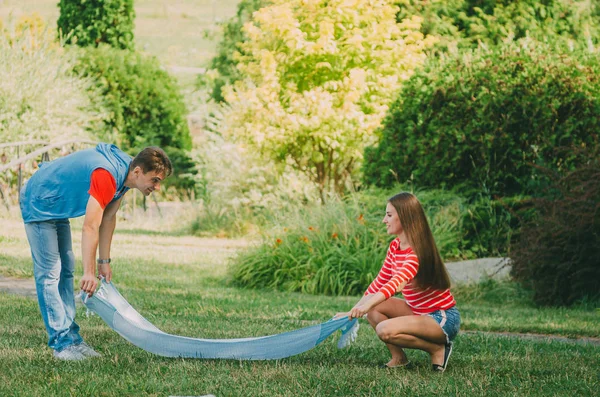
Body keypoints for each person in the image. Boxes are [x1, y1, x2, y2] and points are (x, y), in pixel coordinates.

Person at [20, 143, 172, 361]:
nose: (157, 187)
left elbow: (108, 217)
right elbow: (90, 225)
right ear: (138, 171)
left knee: (66, 269)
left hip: (56, 204)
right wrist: (89, 272)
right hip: (40, 197)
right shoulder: (107, 175)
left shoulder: (126, 176)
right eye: (155, 180)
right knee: (50, 273)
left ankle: (72, 339)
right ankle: (61, 344)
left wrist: (104, 261)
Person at [336, 192, 460, 372]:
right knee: (373, 309)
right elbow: (379, 282)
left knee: (384, 330)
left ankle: (437, 348)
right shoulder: (395, 247)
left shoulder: (418, 252)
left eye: (388, 215)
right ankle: (399, 358)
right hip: (418, 312)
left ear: (405, 217)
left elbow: (396, 283)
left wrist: (364, 307)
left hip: (442, 319)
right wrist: (354, 310)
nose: (383, 220)